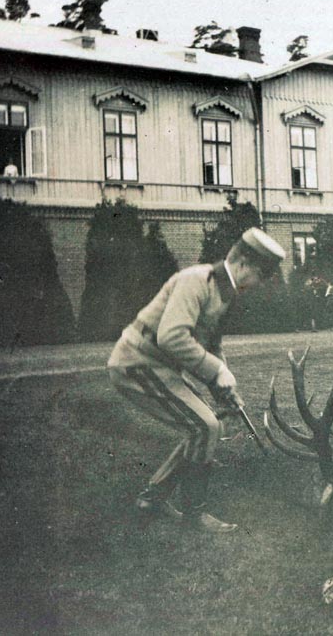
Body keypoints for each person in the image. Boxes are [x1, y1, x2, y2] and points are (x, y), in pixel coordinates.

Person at [107, 227, 285, 533]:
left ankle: (152, 499)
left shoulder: (223, 293)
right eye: (259, 276)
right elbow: (172, 337)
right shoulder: (197, 281)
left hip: (159, 367)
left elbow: (210, 345)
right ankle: (194, 514)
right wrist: (216, 372)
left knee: (210, 424)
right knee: (204, 426)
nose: (257, 285)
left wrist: (224, 391)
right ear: (242, 264)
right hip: (137, 363)